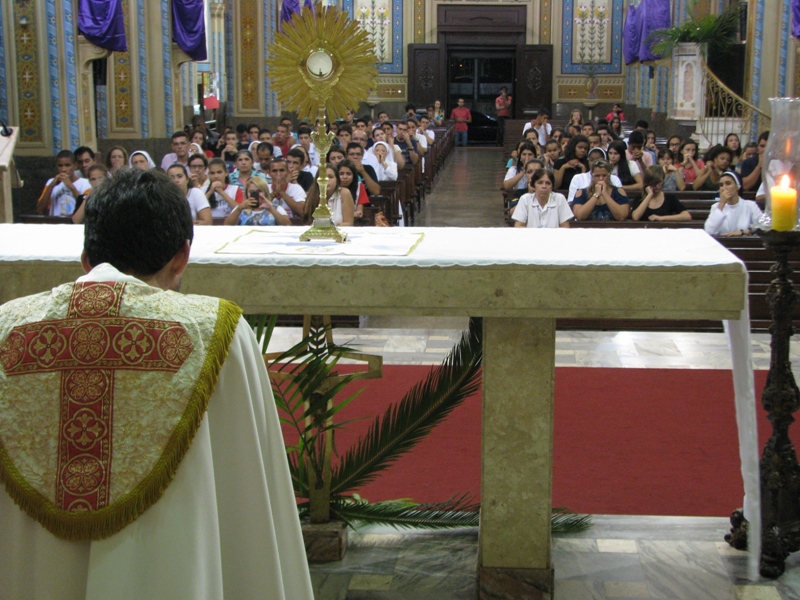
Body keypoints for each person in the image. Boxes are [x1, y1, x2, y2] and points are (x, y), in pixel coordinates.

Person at [0, 167, 314, 599]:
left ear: (86, 258)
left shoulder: (9, 330)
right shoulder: (215, 330)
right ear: (182, 255)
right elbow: (248, 491)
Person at [704, 170, 763, 236]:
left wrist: (744, 232)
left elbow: (763, 227)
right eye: (721, 185)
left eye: (728, 183)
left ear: (737, 186)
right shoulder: (716, 207)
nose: (724, 188)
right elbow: (709, 231)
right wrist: (721, 204)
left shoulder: (750, 206)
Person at [37, 150, 91, 217]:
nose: (63, 169)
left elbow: (86, 208)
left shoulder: (86, 184)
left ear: (75, 165)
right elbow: (40, 210)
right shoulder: (50, 182)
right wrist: (51, 186)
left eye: (67, 165)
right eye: (60, 166)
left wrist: (71, 187)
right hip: (56, 223)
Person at [225, 177, 290, 226]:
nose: (256, 194)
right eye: (252, 192)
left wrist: (271, 209)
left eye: (259, 191)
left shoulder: (277, 208)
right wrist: (239, 208)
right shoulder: (240, 208)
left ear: (265, 192)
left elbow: (287, 225)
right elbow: (227, 226)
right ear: (247, 193)